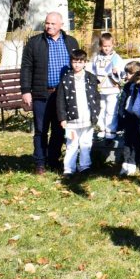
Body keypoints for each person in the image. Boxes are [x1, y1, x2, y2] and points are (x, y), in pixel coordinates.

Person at [19, 12, 81, 174]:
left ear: (61, 25)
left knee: (59, 130)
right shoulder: (34, 43)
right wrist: (26, 91)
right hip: (41, 94)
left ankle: (53, 160)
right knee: (41, 130)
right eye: (47, 23)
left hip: (63, 95)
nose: (49, 26)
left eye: (53, 24)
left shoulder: (71, 42)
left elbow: (78, 66)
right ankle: (40, 163)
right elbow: (26, 68)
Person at [56, 48, 101, 180]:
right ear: (71, 62)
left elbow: (96, 97)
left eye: (80, 62)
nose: (77, 65)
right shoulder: (66, 79)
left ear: (85, 63)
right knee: (72, 144)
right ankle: (69, 169)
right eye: (75, 62)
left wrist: (96, 113)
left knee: (86, 143)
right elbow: (60, 100)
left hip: (87, 117)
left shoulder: (91, 78)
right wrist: (62, 118)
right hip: (72, 119)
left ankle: (85, 166)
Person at [90, 32, 126, 140]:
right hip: (100, 88)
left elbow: (123, 72)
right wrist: (93, 80)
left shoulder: (116, 57)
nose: (106, 48)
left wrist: (116, 72)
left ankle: (111, 130)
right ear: (101, 46)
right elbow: (92, 70)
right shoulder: (96, 57)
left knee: (111, 110)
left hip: (112, 88)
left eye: (109, 46)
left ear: (113, 45)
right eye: (104, 46)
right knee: (101, 109)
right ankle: (102, 129)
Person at [113, 61, 140, 176]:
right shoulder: (127, 86)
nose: (127, 75)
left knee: (136, 141)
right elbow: (122, 101)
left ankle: (134, 162)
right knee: (127, 140)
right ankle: (126, 162)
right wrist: (121, 114)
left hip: (137, 117)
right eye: (126, 73)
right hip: (128, 116)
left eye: (130, 73)